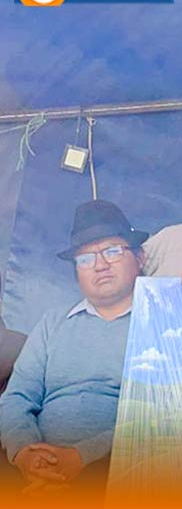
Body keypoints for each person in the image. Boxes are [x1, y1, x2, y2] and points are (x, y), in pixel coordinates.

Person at [0, 200, 147, 492]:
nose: (100, 265)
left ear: (140, 257)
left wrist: (82, 457)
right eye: (86, 258)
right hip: (31, 464)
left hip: (118, 467)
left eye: (112, 251)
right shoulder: (52, 323)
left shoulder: (160, 323)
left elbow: (159, 415)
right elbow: (17, 397)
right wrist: (26, 453)